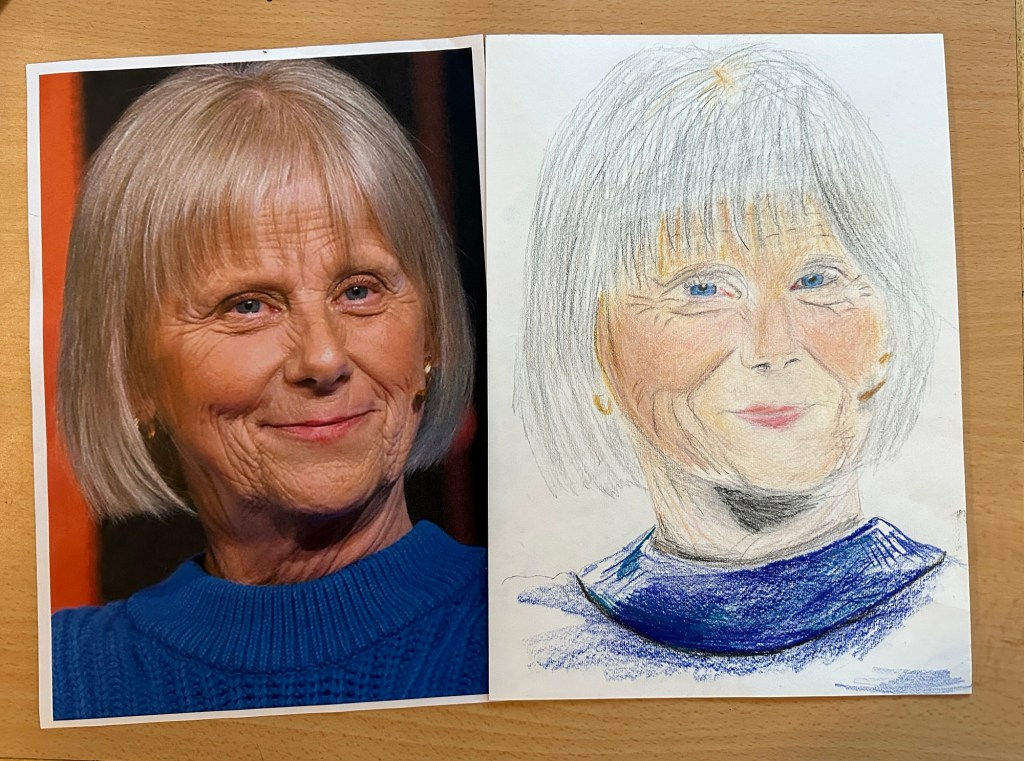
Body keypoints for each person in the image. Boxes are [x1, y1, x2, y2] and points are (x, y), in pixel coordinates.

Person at [512, 45, 969, 691]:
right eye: (701, 289)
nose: (771, 346)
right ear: (591, 345)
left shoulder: (957, 624)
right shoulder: (533, 640)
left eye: (817, 279)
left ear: (887, 330)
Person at [51, 58, 486, 720]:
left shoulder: (560, 638)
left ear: (430, 335)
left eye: (359, 290)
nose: (323, 357)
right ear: (132, 374)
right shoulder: (54, 682)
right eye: (248, 305)